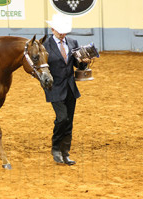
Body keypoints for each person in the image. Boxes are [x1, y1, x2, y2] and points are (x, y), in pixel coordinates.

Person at [42, 13, 90, 166]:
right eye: (59, 31)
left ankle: (65, 153)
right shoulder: (45, 46)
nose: (63, 34)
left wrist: (84, 62)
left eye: (64, 31)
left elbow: (78, 65)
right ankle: (56, 148)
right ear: (52, 29)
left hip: (70, 87)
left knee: (69, 122)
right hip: (54, 87)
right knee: (62, 118)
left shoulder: (72, 42)